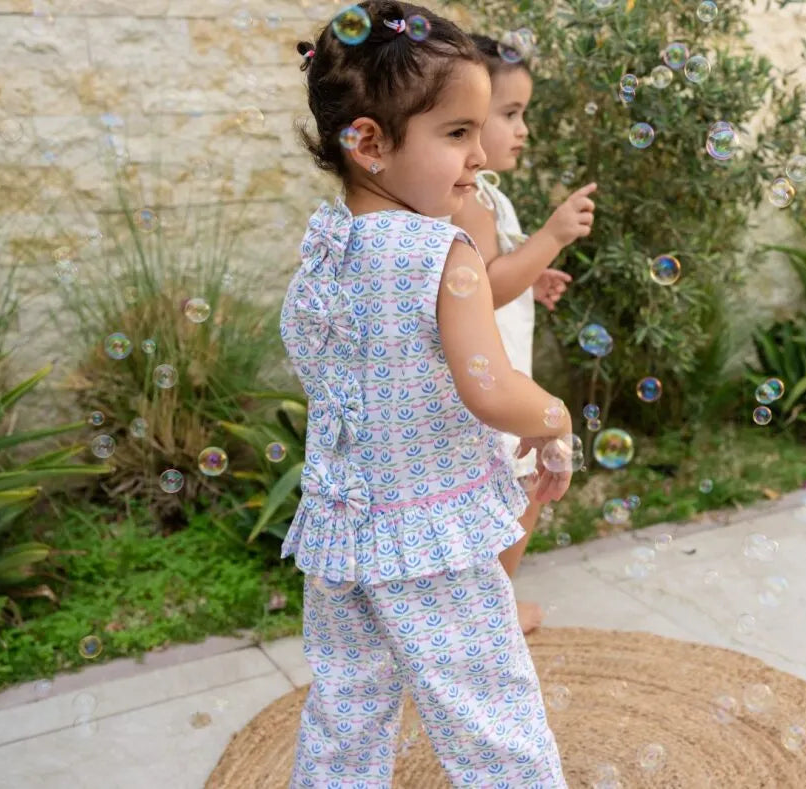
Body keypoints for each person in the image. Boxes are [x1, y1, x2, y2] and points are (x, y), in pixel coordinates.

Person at [281, 3, 572, 786]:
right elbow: (490, 388)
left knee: (347, 710)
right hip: (430, 532)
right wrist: (555, 415)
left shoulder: (327, 246)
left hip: (342, 530)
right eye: (455, 134)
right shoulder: (442, 250)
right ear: (369, 142)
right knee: (489, 710)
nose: (479, 155)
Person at [450, 34, 596, 635]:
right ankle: (494, 610)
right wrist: (553, 236)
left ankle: (488, 604)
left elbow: (490, 277)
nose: (522, 129)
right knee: (526, 490)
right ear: (466, 123)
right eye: (509, 115)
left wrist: (531, 276)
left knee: (515, 491)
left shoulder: (483, 197)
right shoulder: (474, 204)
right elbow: (480, 288)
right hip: (497, 384)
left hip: (497, 375)